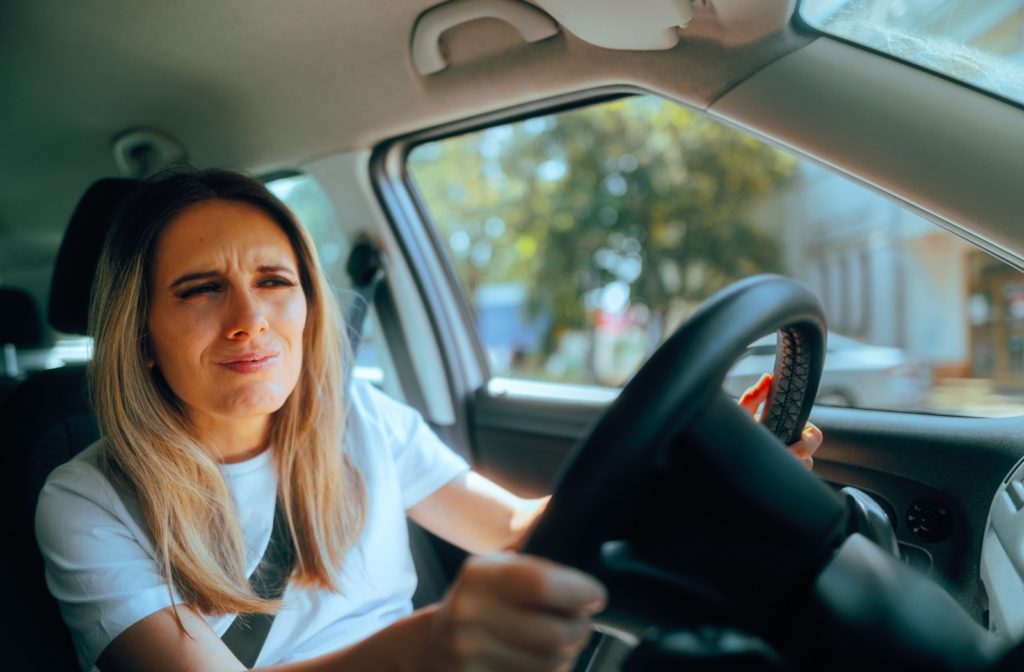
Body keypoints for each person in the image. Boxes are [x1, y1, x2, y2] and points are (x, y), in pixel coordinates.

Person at [35, 168, 823, 672]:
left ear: (309, 304)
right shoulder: (84, 498)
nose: (250, 320)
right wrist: (428, 645)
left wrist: (701, 474)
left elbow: (515, 529)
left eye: (274, 280)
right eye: (201, 288)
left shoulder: (356, 417)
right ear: (139, 333)